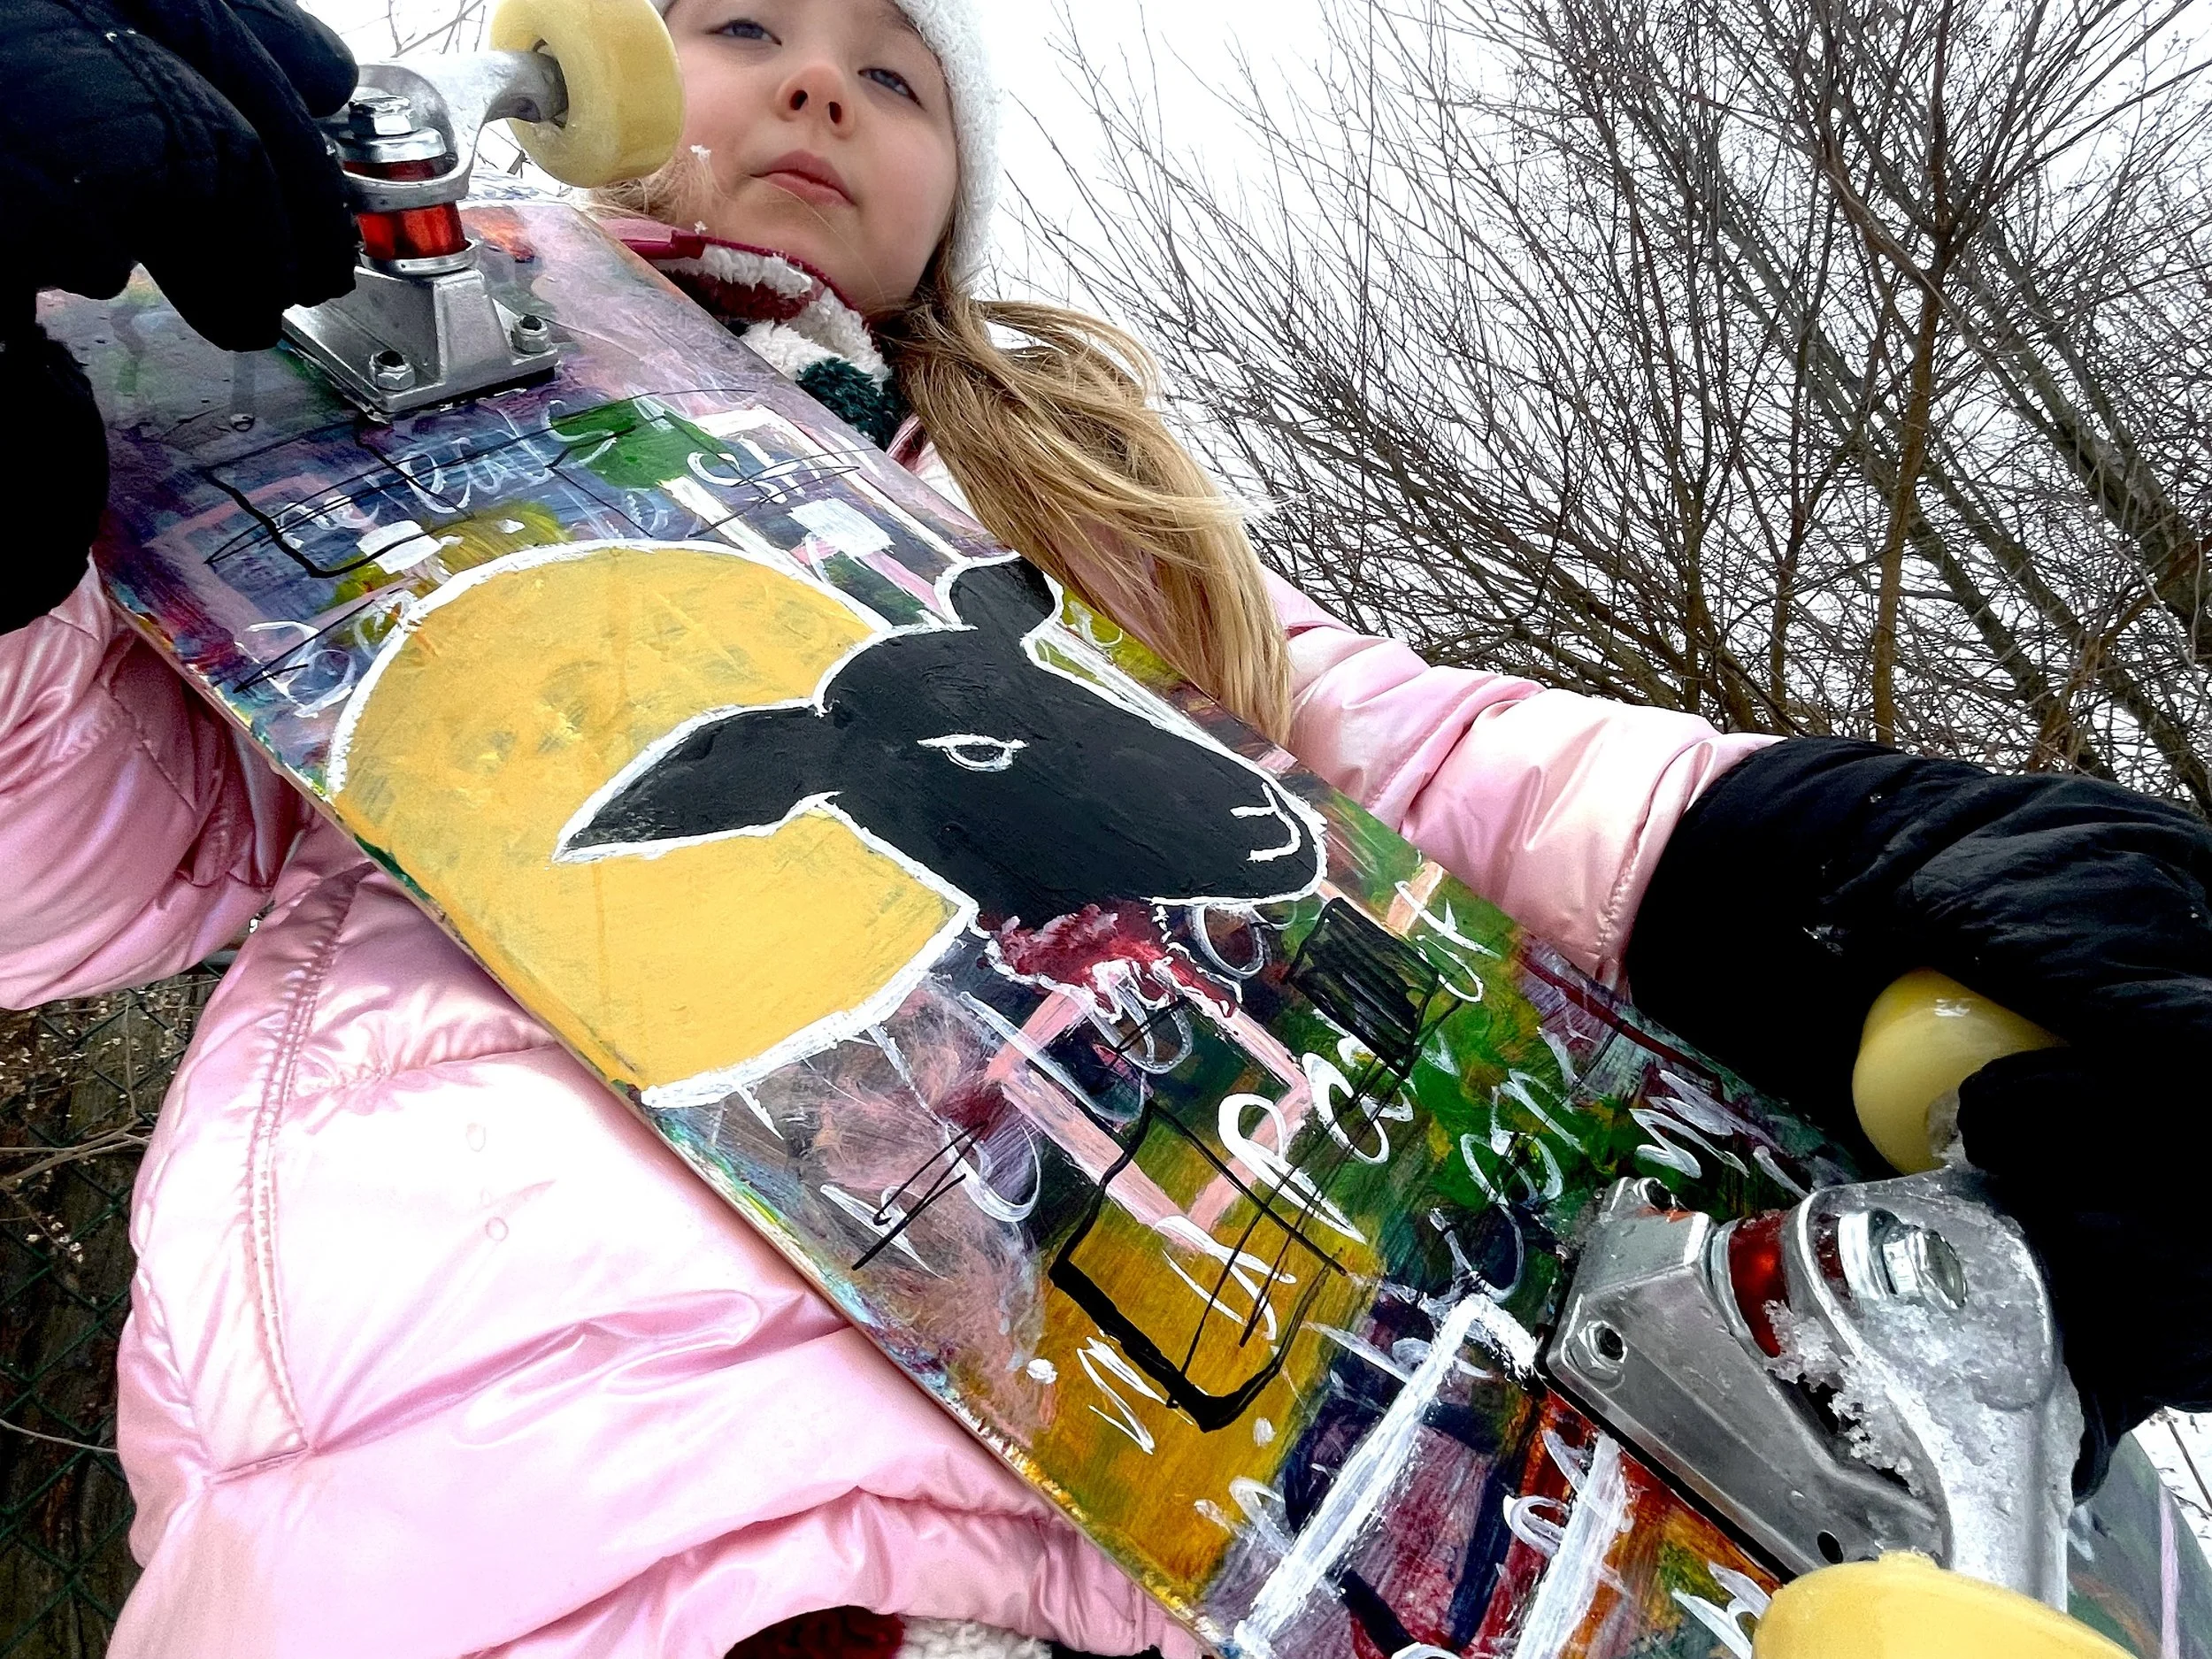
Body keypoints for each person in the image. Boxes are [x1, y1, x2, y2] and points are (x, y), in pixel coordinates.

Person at [1, 0, 2207, 1651]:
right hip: (540, 1456)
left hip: (1211, 1460)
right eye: (743, 26)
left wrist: (1811, 857)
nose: (815, 91)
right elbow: (55, 865)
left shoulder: (1081, 521)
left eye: (895, 75)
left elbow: (1401, 758)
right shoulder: (278, 475)